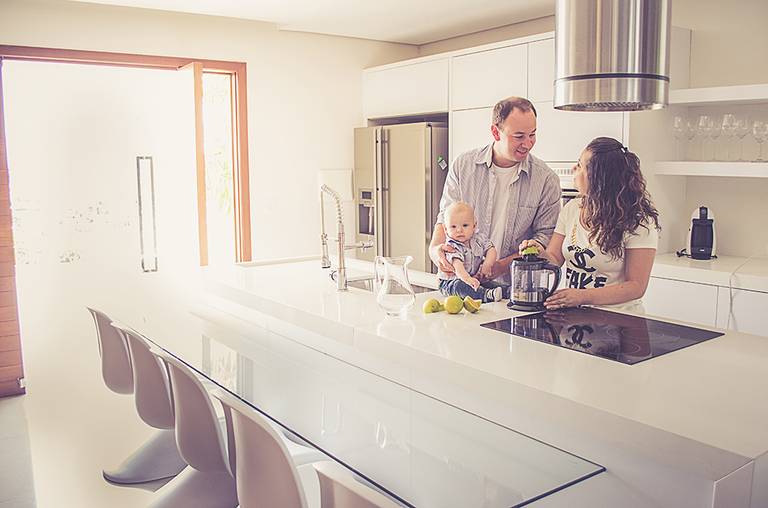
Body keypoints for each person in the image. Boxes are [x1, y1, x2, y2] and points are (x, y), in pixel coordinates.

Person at [429, 97, 561, 289]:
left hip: (514, 290)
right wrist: (435, 251)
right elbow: (444, 220)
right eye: (519, 136)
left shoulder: (546, 179)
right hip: (459, 285)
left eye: (532, 134)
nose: (528, 143)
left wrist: (499, 267)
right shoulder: (463, 166)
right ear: (495, 132)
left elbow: (545, 240)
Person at [519, 137, 660, 312]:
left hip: (620, 319)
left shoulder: (639, 222)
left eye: (579, 165)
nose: (574, 169)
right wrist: (540, 252)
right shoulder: (571, 209)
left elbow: (636, 286)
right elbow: (554, 259)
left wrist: (582, 296)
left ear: (598, 177)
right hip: (575, 315)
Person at [437, 201, 503, 303]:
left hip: (473, 278)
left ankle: (506, 291)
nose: (459, 230)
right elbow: (458, 267)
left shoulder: (478, 239)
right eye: (453, 227)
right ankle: (486, 295)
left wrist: (487, 264)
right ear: (446, 229)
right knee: (461, 287)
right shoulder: (451, 246)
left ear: (474, 226)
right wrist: (468, 279)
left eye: (465, 225)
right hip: (452, 281)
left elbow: (491, 249)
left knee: (490, 283)